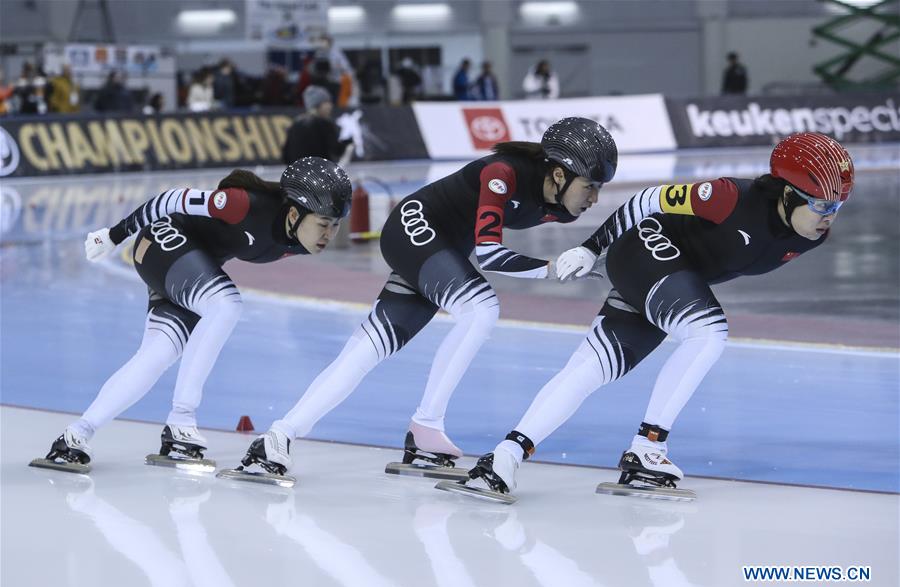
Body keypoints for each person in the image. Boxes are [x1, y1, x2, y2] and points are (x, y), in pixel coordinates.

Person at [448, 133, 855, 501]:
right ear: (786, 194)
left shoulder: (814, 234)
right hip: (646, 250)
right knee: (707, 332)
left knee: (593, 367)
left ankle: (502, 458)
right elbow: (646, 201)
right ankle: (649, 448)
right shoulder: (727, 196)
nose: (829, 215)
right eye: (821, 204)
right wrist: (591, 247)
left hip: (674, 275)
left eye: (837, 206)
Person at [233, 117, 618, 481]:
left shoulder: (561, 211)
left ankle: (278, 437)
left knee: (368, 348)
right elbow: (490, 254)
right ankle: (428, 423)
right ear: (558, 173)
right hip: (414, 229)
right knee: (481, 307)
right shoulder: (503, 174)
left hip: (440, 251)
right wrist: (552, 268)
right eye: (590, 186)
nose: (595, 198)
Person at [30, 157, 353, 473]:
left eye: (336, 225)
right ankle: (181, 420)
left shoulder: (300, 237)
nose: (330, 234)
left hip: (186, 265)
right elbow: (171, 200)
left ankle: (75, 437)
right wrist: (114, 235)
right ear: (294, 213)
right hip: (164, 240)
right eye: (324, 224)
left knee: (158, 353)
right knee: (225, 303)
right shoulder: (242, 204)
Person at [281, 86, 353, 166]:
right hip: (319, 174)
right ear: (317, 105)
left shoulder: (295, 124)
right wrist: (348, 143)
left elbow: (285, 155)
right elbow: (337, 150)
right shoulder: (324, 123)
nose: (330, 106)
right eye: (326, 102)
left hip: (296, 175)